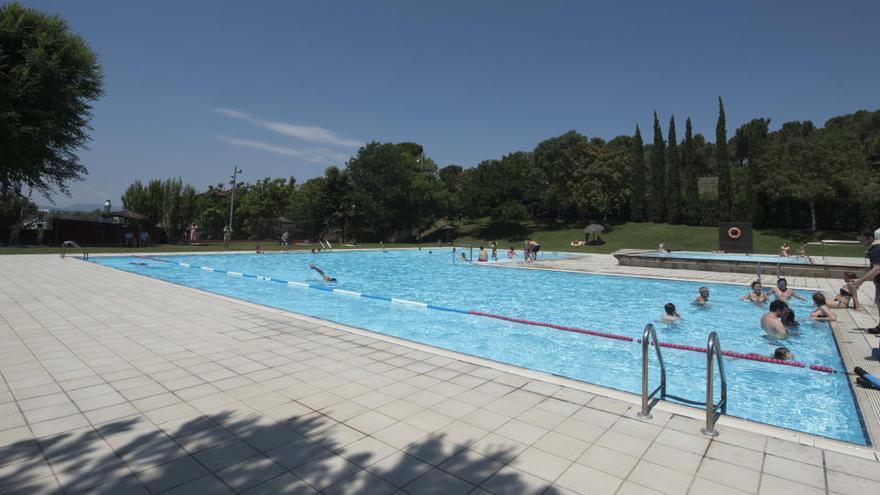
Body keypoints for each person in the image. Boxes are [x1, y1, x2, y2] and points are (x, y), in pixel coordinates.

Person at [850, 229, 880, 334]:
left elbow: (877, 269)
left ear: (871, 238)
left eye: (862, 239)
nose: (861, 242)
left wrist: (861, 280)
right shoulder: (874, 249)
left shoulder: (877, 249)